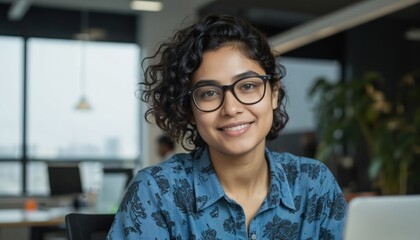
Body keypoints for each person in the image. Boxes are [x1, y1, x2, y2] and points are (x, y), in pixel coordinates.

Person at [107, 14, 347, 240]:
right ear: (190, 109)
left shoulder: (315, 183)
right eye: (209, 93)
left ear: (274, 93)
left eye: (248, 86)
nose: (231, 108)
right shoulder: (157, 191)